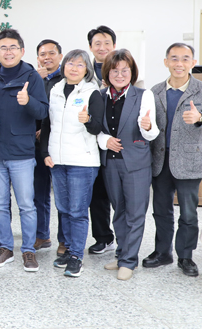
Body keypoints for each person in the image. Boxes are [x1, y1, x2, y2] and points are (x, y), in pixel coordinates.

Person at [144, 43, 202, 277]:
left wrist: (200, 118)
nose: (179, 63)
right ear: (166, 61)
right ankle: (162, 252)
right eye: (174, 58)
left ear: (193, 63)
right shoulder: (155, 91)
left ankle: (186, 256)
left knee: (188, 213)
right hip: (159, 159)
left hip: (190, 161)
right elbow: (147, 122)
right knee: (161, 210)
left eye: (185, 59)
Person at [0, 29, 48, 272]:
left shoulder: (32, 76)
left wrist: (27, 101)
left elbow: (42, 112)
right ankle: (6, 247)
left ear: (21, 50)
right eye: (3, 48)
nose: (8, 52)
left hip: (21, 152)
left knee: (26, 205)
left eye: (12, 48)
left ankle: (28, 250)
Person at [96, 49, 159, 281]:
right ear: (107, 72)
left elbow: (151, 134)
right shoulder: (100, 96)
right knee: (118, 210)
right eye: (115, 70)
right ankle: (122, 253)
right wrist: (104, 140)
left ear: (132, 72)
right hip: (110, 162)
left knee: (135, 213)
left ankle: (129, 261)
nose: (120, 74)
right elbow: (96, 129)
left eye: (125, 70)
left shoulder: (144, 95)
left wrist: (147, 126)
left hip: (136, 162)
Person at [41, 50, 104, 277]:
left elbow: (97, 128)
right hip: (57, 161)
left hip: (82, 162)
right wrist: (45, 152)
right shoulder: (55, 90)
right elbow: (47, 125)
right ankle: (67, 250)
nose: (74, 67)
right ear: (64, 66)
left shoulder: (92, 93)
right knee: (64, 209)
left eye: (80, 64)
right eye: (70, 63)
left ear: (86, 69)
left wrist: (87, 121)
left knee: (77, 211)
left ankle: (77, 255)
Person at [87, 26, 117, 255]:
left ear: (114, 46)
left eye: (106, 43)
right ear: (90, 47)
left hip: (115, 142)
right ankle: (103, 237)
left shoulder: (122, 70)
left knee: (118, 194)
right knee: (97, 195)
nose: (102, 47)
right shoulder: (84, 71)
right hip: (89, 141)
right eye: (97, 43)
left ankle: (125, 239)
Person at [34, 39, 66, 254]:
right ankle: (41, 235)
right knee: (39, 193)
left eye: (52, 53)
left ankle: (64, 239)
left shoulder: (68, 78)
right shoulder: (34, 79)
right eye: (43, 54)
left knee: (63, 195)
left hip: (60, 143)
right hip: (36, 144)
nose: (47, 57)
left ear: (60, 56)